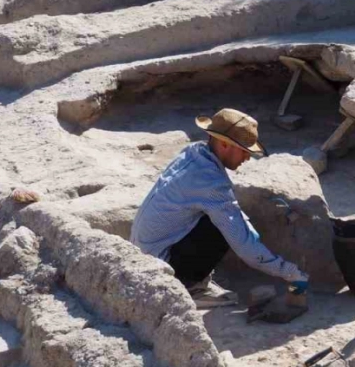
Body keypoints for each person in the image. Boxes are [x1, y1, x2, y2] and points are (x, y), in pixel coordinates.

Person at [130, 108, 308, 308]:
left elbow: (235, 217)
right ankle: (188, 288)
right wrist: (289, 272)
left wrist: (249, 232)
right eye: (244, 151)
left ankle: (196, 280)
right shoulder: (210, 183)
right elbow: (242, 243)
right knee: (223, 229)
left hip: (143, 253)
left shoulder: (193, 153)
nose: (247, 158)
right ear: (224, 144)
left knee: (227, 219)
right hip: (160, 270)